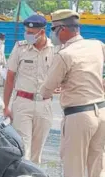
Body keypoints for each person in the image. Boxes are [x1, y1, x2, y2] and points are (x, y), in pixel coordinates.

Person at [40, 9, 105, 177]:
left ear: (63, 29)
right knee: (97, 166)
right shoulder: (97, 45)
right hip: (101, 113)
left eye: (53, 29)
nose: (51, 34)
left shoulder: (65, 54)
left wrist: (54, 88)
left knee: (73, 168)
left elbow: (46, 90)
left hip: (79, 117)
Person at [3, 15, 55, 164]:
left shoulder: (55, 50)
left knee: (37, 153)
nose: (28, 35)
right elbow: (10, 78)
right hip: (23, 103)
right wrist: (6, 106)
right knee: (23, 149)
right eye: (27, 31)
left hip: (45, 105)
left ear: (42, 32)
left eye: (32, 33)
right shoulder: (20, 48)